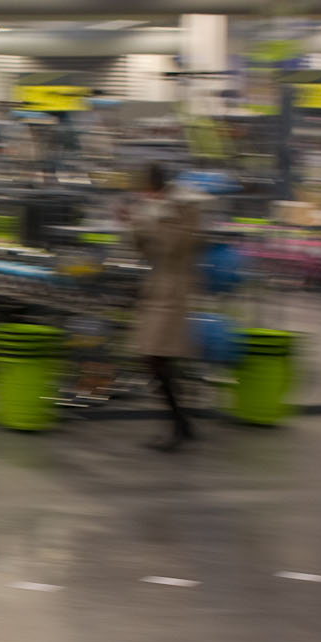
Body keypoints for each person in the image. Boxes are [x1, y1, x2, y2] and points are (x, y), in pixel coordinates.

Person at [118, 162, 203, 451]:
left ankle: (179, 427)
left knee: (157, 358)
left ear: (157, 186)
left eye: (147, 190)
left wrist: (146, 220)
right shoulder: (156, 209)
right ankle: (181, 423)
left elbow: (171, 245)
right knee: (155, 359)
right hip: (157, 289)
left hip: (174, 291)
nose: (144, 195)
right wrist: (131, 222)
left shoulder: (184, 208)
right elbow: (144, 248)